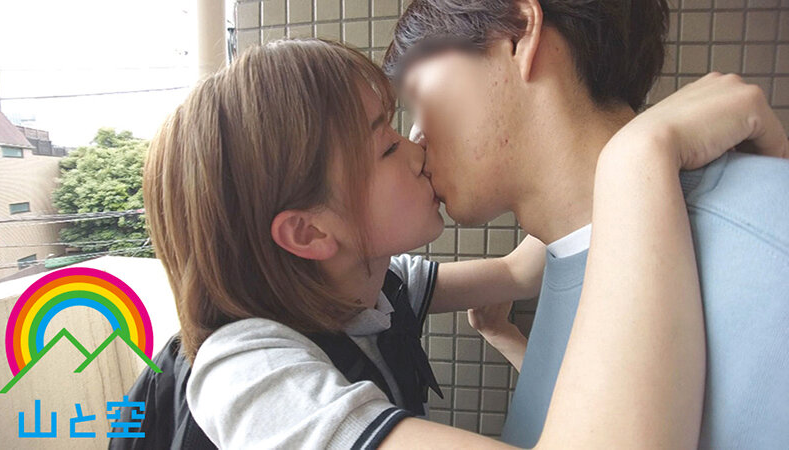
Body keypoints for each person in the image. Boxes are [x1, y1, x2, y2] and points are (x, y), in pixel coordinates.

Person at [142, 38, 786, 448]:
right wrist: (640, 154)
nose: (419, 144)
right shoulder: (247, 378)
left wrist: (587, 150)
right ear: (310, 231)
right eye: (387, 144)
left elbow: (520, 270)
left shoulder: (381, 284)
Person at [384, 0, 789, 448]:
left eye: (417, 93)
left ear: (518, 35)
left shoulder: (775, 247)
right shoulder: (563, 252)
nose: (416, 136)